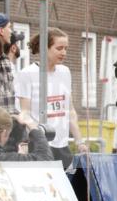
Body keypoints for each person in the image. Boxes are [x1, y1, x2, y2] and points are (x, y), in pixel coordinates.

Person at [14, 28, 88, 169]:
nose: (64, 53)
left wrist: (79, 141)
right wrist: (32, 138)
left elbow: (70, 110)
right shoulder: (27, 74)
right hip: (39, 146)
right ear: (44, 48)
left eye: (66, 48)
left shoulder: (65, 72)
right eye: (59, 48)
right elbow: (24, 113)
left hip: (62, 145)